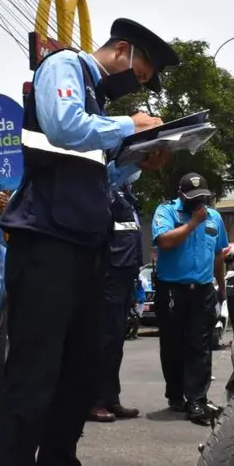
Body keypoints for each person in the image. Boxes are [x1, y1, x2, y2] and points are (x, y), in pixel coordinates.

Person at [0, 18, 178, 466]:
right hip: (44, 240)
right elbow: (64, 127)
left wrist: (140, 157)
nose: (140, 87)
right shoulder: (63, 66)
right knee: (34, 373)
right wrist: (130, 126)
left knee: (81, 371)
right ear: (121, 49)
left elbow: (97, 169)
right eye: (141, 72)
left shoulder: (96, 99)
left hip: (84, 243)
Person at [151, 173, 229, 424]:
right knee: (173, 345)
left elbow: (218, 254)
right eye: (192, 198)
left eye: (202, 198)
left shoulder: (214, 217)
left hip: (203, 289)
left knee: (200, 345)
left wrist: (221, 286)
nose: (198, 203)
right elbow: (164, 241)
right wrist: (193, 223)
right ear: (180, 195)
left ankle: (197, 399)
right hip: (173, 289)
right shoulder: (166, 212)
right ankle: (175, 394)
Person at [89, 181, 143, 422]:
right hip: (109, 273)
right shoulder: (105, 188)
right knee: (103, 341)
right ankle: (94, 402)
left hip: (126, 274)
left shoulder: (126, 193)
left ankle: (112, 398)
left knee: (116, 344)